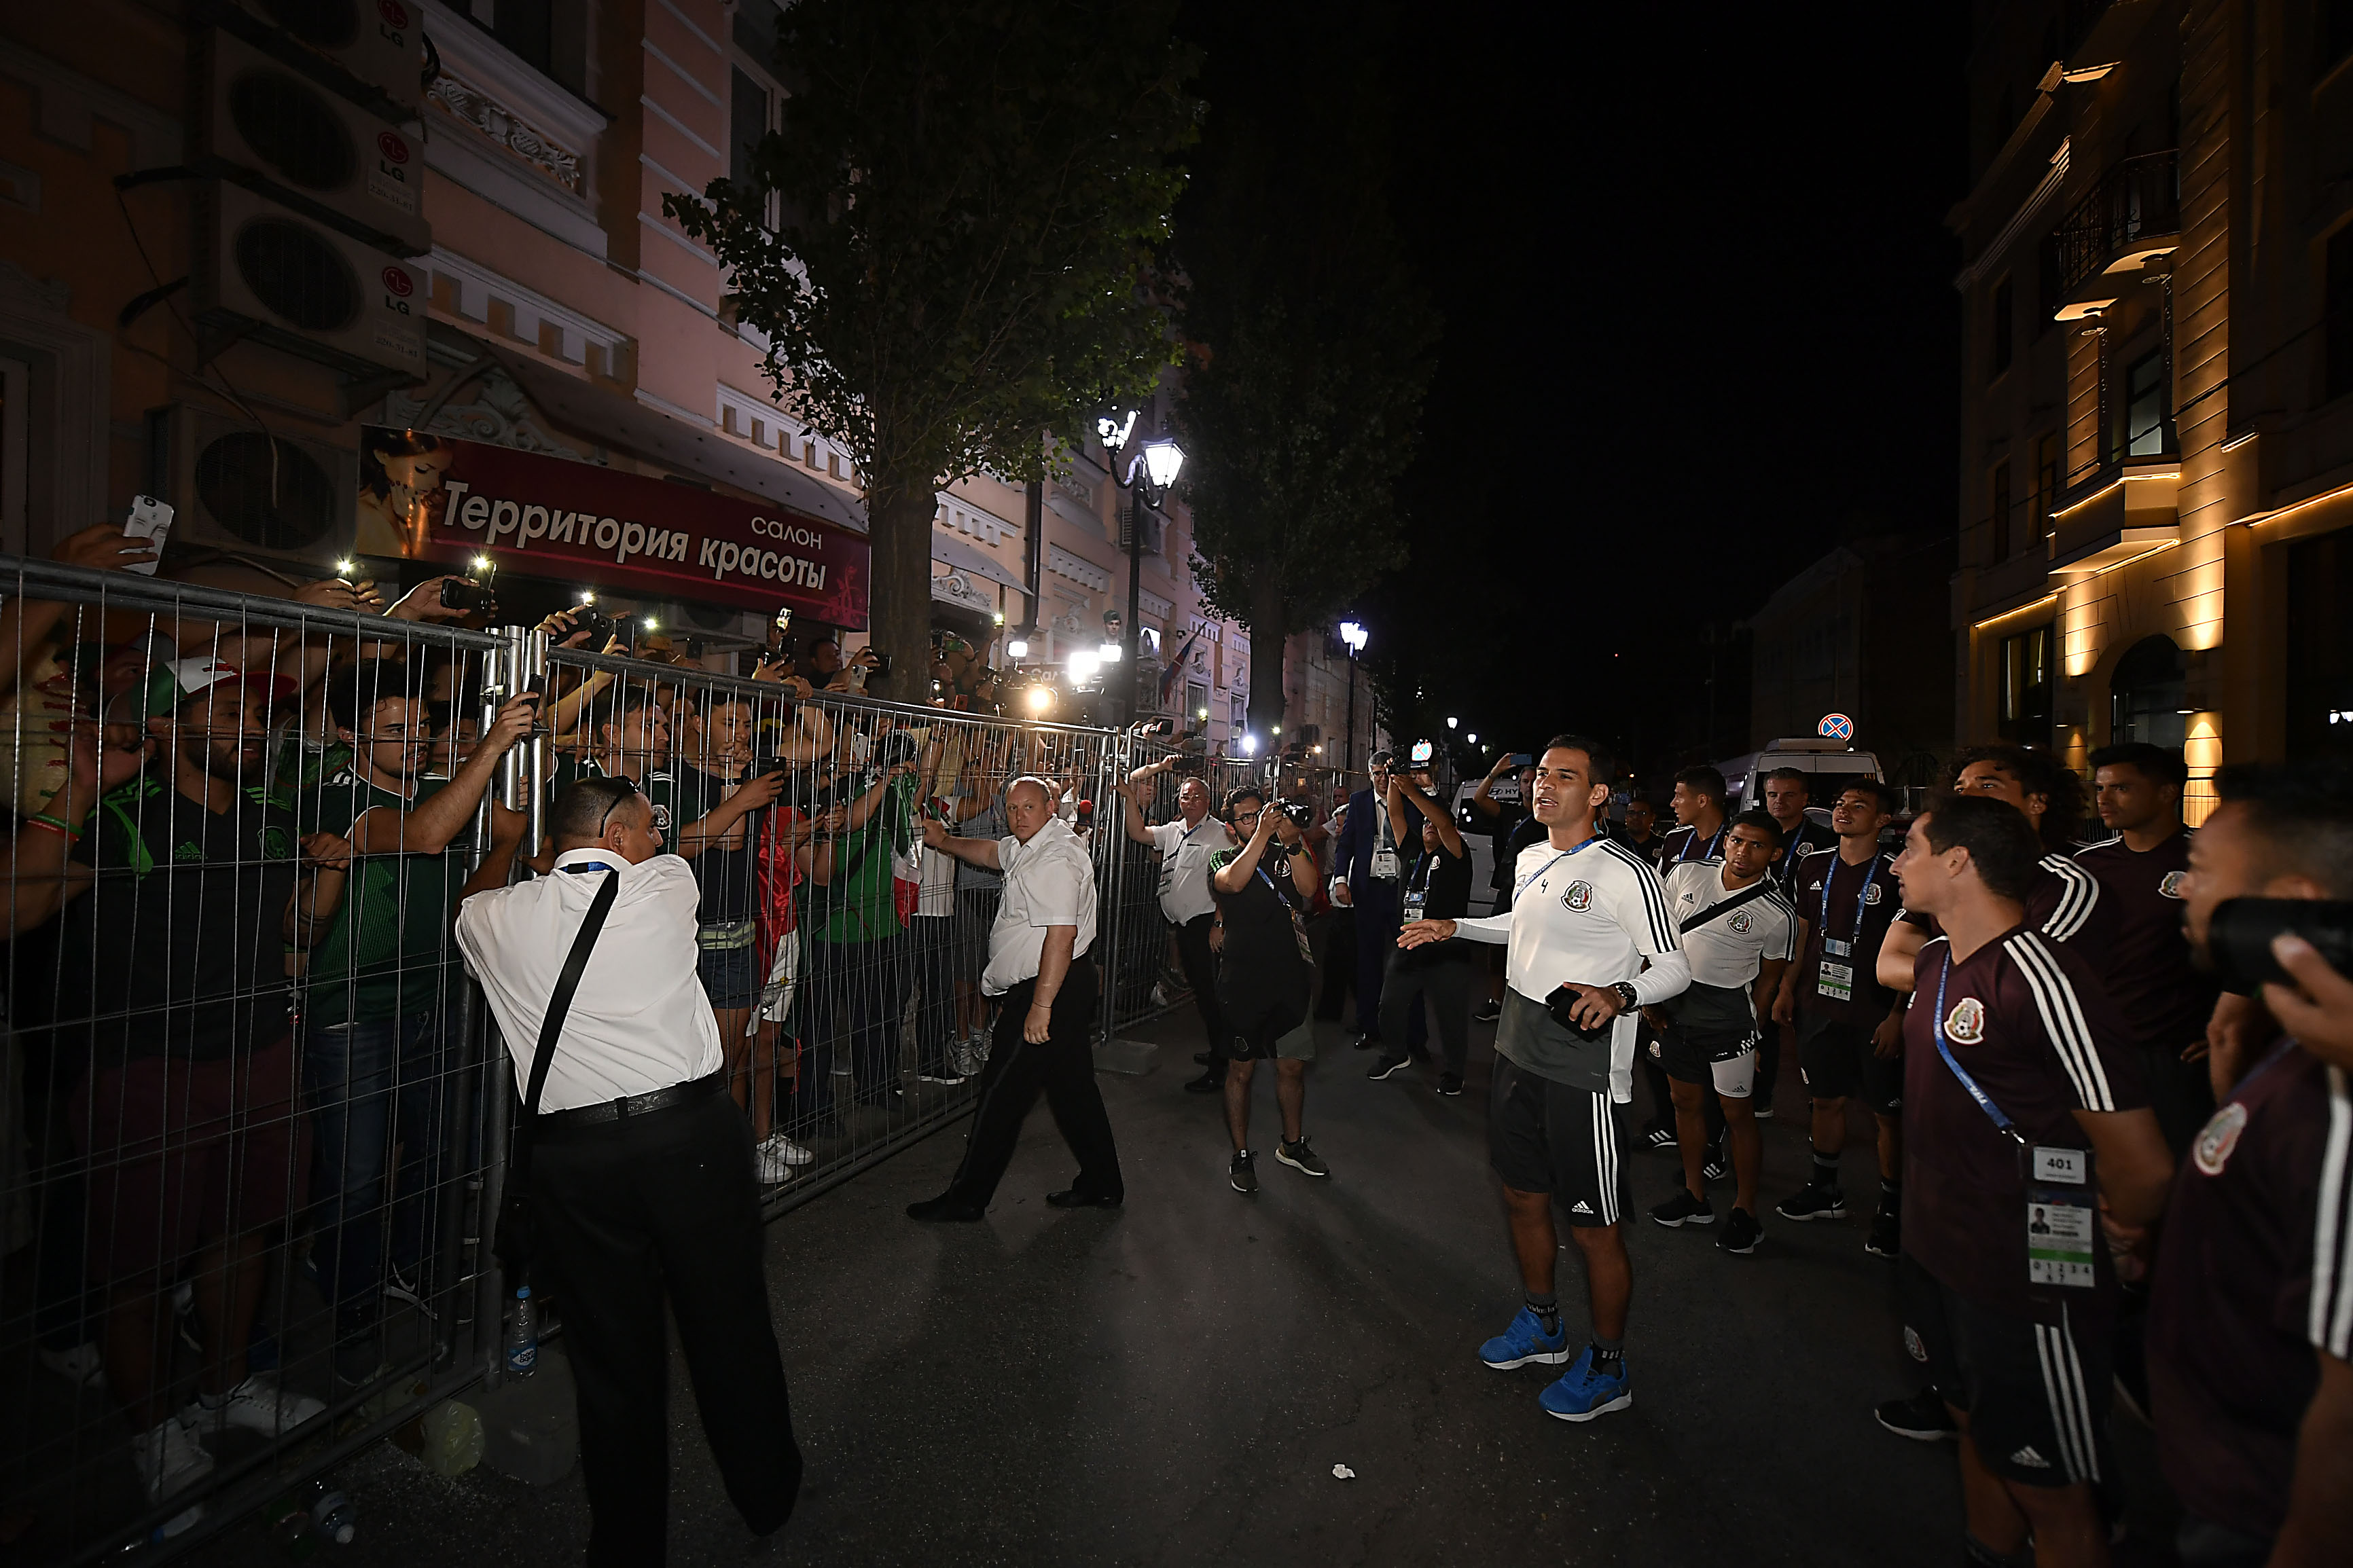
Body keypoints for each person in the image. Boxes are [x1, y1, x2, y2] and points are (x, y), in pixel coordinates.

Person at [5, 661, 338, 1532]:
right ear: (164, 727)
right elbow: (15, 912)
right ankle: (152, 1432)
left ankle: (224, 1388)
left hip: (261, 1055)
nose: (252, 725)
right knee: (138, 1265)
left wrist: (325, 883)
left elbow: (294, 931)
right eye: (228, 710)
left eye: (259, 714)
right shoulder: (118, 819)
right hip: (144, 1070)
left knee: (246, 1225)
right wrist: (73, 795)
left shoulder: (273, 820)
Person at [456, 776, 802, 1563]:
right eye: (648, 828)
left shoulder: (495, 918)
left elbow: (467, 906)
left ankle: (626, 1542)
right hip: (688, 1138)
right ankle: (766, 1493)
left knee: (611, 1359)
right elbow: (681, 851)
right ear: (616, 836)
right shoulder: (666, 884)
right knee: (729, 1325)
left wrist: (509, 842)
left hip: (574, 1159)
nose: (658, 839)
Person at [1884, 794, 2172, 1568]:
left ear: (1956, 860)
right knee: (1973, 1426)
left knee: (2052, 1484)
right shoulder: (1939, 960)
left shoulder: (2044, 978)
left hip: (2029, 1267)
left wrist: (2114, 1233)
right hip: (1936, 1247)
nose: (1896, 861)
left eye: (1910, 845)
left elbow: (2139, 1162)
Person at [1399, 735, 1689, 1423]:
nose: (1543, 785)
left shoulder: (1626, 870)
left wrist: (1620, 993)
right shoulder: (1532, 854)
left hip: (1581, 1068)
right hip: (1515, 1052)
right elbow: (1520, 925)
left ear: (1596, 794)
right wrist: (1455, 925)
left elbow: (1674, 965)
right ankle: (1543, 1325)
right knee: (1522, 1198)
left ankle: (1609, 1365)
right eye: (1538, 775)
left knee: (1593, 1227)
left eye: (1565, 776)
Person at [291, 660, 538, 1383]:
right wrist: (489, 747)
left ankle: (410, 1269)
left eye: (422, 726)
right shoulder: (337, 800)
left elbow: (491, 858)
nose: (419, 740)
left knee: (438, 1158)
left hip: (434, 1005)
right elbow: (425, 837)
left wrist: (502, 839)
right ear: (347, 734)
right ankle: (352, 1310)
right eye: (397, 730)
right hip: (353, 1019)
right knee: (357, 1178)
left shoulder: (442, 791)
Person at [2146, 761, 2353, 1568]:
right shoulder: (2306, 1046)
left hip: (2267, 1516)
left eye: (2196, 871)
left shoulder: (2335, 1104)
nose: (2181, 892)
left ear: (2291, 905)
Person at [905, 778, 1124, 1218]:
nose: (1018, 815)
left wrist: (1041, 1006)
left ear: (1050, 805)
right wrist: (946, 840)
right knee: (1073, 1091)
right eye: (1012, 807)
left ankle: (967, 1199)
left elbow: (1061, 936)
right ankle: (1103, 1183)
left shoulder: (1056, 858)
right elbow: (991, 853)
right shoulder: (1034, 843)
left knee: (1000, 1094)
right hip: (1058, 984)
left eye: (1028, 806)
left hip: (1049, 987)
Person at [1645, 809, 1797, 1255]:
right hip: (1677, 1009)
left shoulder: (1777, 912)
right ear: (1725, 841)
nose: (1742, 852)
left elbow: (1768, 983)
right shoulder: (1686, 872)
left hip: (1729, 1019)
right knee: (1684, 1104)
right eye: (1736, 841)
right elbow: (1657, 936)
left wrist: (1758, 1036)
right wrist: (1652, 994)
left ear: (1775, 853)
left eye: (1756, 846)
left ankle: (1746, 1211)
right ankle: (1695, 1197)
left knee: (1737, 1115)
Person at [1772, 780, 1907, 1254]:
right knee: (1824, 1100)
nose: (1844, 811)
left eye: (1859, 806)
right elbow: (1803, 932)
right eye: (1840, 804)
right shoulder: (1813, 864)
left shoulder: (1897, 872)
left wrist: (1897, 1015)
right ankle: (1825, 1187)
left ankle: (1892, 1208)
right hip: (1819, 1004)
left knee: (1886, 1116)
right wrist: (1788, 986)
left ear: (1884, 820)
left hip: (1875, 1012)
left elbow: (1916, 948)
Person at [2074, 742, 2218, 1156]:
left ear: (2168, 792)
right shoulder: (2088, 866)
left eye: (2121, 788)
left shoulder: (2206, 861)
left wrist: (2230, 1024)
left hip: (2174, 1056)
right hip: (2099, 1050)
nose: (2103, 800)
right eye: (2100, 788)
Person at [1208, 788, 1328, 1192]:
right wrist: (1262, 835)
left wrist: (1292, 842)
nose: (1258, 821)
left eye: (1260, 813)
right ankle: (1241, 1154)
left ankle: (1291, 1145)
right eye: (1246, 818)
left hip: (1290, 978)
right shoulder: (1223, 858)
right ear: (1230, 828)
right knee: (1241, 1071)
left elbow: (1310, 890)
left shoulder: (1285, 851)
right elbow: (1233, 884)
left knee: (1292, 1066)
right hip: (1243, 983)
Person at [1121, 755, 1232, 1096]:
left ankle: (1222, 1067)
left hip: (1204, 925)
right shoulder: (1173, 830)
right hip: (1182, 925)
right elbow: (1138, 832)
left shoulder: (1220, 834)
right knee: (1202, 992)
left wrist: (1219, 923)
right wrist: (1128, 798)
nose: (1190, 800)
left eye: (1197, 796)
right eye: (1185, 796)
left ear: (1209, 802)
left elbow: (1229, 882)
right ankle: (1219, 1051)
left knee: (1213, 995)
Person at [1371, 765, 1476, 1095]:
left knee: (1450, 1015)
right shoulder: (1413, 850)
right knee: (1389, 1005)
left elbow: (1444, 821)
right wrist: (1393, 784)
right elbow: (1395, 813)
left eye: (1435, 824)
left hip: (1448, 948)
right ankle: (1395, 1053)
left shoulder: (1458, 854)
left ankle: (1454, 1071)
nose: (1430, 826)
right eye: (1426, 823)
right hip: (1410, 944)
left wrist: (1414, 792)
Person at [1331, 751, 1406, 1053]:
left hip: (1401, 891)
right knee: (1368, 960)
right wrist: (1340, 879)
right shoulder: (1361, 803)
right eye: (1376, 774)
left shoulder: (1407, 799)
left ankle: (1410, 1033)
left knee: (1407, 960)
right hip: (1369, 890)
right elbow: (1346, 843)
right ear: (1370, 775)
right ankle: (1367, 1025)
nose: (1381, 779)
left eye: (1386, 773)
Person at [1471, 754, 1545, 1023]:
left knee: (1532, 948)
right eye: (1525, 780)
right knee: (1496, 944)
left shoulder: (1548, 816)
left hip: (1539, 892)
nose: (1530, 785)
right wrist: (1496, 770)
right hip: (1509, 889)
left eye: (1535, 779)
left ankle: (1529, 1004)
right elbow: (1479, 800)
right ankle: (1496, 1001)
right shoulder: (1509, 812)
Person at [1760, 767, 1838, 892]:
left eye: (1789, 795)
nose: (1779, 801)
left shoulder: (1824, 839)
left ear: (1804, 799)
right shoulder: (1753, 835)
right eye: (1773, 795)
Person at [1660, 765, 1731, 867]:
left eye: (1679, 796)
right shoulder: (1674, 839)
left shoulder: (1736, 843)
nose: (1673, 803)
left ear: (1702, 801)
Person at [1619, 796, 1668, 869]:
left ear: (1652, 818)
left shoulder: (1664, 845)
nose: (1636, 817)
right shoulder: (1615, 841)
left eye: (1642, 813)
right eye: (1631, 813)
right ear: (1626, 817)